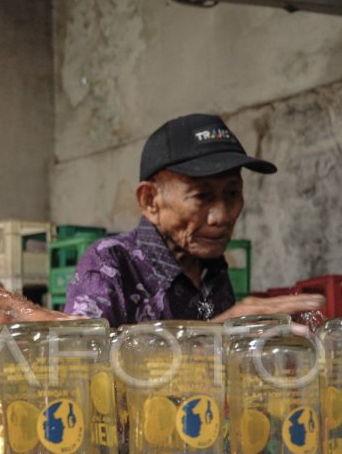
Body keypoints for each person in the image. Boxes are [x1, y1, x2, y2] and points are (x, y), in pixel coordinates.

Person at [64, 113, 323, 326]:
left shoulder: (211, 268)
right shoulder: (108, 263)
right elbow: (84, 365)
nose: (221, 216)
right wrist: (220, 331)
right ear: (150, 200)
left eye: (232, 194)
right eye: (202, 196)